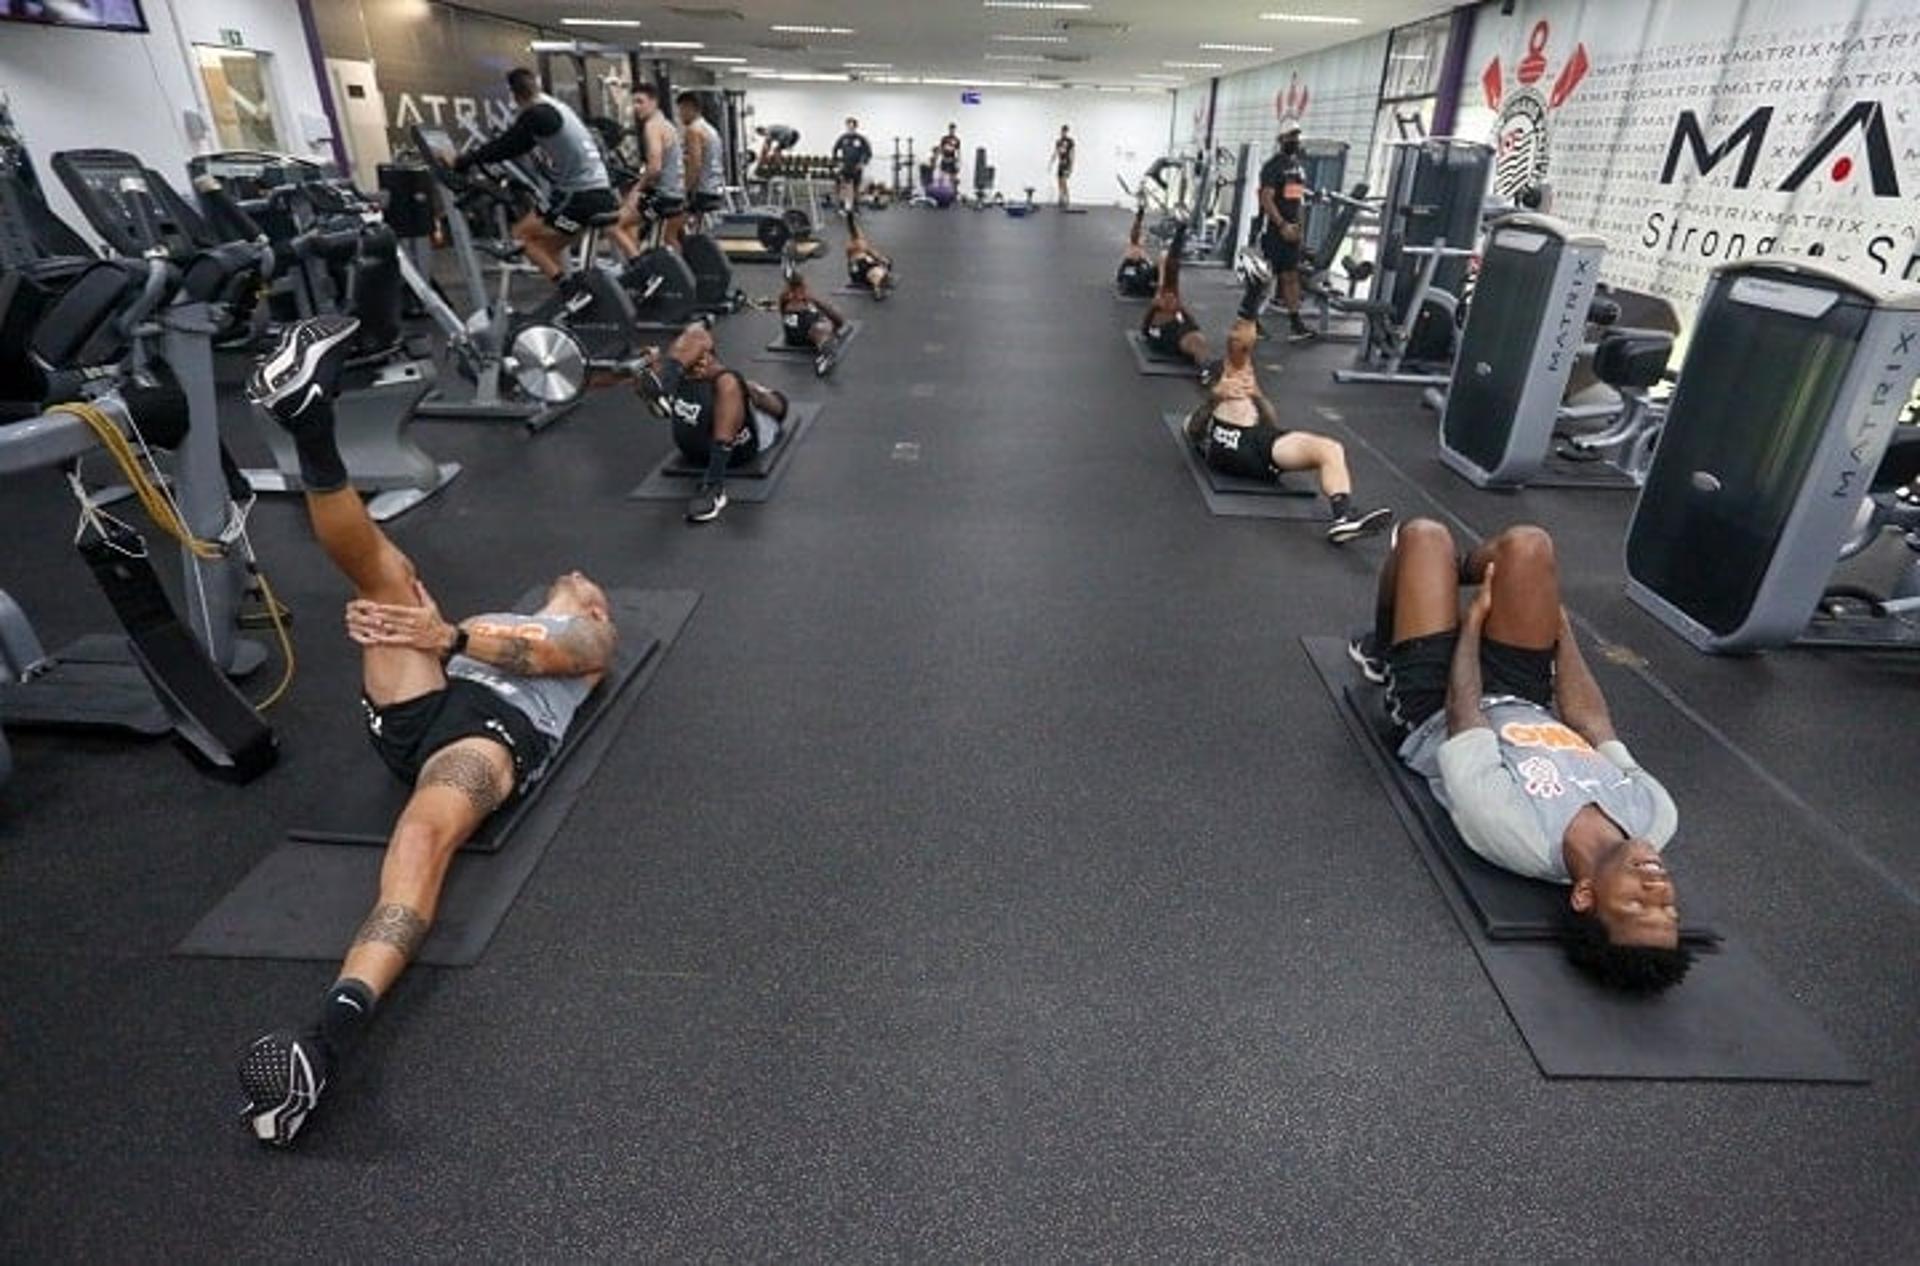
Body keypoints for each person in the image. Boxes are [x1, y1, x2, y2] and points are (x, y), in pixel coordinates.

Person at [235, 314, 620, 1145]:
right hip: (428, 693)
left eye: (591, 587)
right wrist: (410, 627)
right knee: (386, 571)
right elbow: (426, 623)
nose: (584, 581)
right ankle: (307, 417)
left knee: (419, 839)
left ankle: (329, 1034)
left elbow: (573, 655)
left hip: (488, 738)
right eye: (580, 584)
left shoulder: (589, 639)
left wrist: (443, 638)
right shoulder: (489, 617)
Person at [1349, 519, 1692, 993]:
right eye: (1669, 909)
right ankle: (1459, 570)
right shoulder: (1656, 816)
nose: (1659, 891)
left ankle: (1384, 647)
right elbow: (1592, 722)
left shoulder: (1517, 836)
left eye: (1638, 906)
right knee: (1531, 546)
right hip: (1522, 696)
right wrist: (1560, 629)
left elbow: (1463, 716)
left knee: (1424, 537)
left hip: (1436, 707)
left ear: (1585, 895)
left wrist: (1473, 623)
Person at [1185, 258, 1393, 543]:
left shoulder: (1247, 389)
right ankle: (1254, 293)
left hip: (1260, 451)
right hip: (1235, 444)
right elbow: (1193, 430)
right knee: (1239, 355)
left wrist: (1256, 394)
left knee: (1330, 449)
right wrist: (1214, 399)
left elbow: (1270, 422)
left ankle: (1343, 518)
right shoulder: (1220, 390)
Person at [452, 68, 617, 282]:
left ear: (514, 94)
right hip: (596, 193)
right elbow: (518, 145)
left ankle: (570, 294)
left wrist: (462, 160)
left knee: (522, 236)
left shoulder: (537, 114)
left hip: (579, 198)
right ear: (537, 85)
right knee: (545, 248)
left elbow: (506, 147)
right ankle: (575, 294)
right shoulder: (555, 107)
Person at [634, 321, 793, 524]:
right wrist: (647, 371)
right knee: (733, 382)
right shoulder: (696, 375)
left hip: (728, 449)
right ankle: (714, 486)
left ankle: (714, 486)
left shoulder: (719, 380)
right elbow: (660, 410)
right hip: (706, 449)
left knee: (745, 388)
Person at [1255, 119, 1315, 343]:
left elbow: (1296, 199)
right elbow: (1266, 199)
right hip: (1274, 230)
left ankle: (1295, 323)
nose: (1295, 141)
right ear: (1281, 140)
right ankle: (1252, 321)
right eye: (1291, 137)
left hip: (1291, 231)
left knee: (1290, 276)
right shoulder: (1273, 166)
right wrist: (1281, 225)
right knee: (1265, 277)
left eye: (1297, 137)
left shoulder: (1297, 167)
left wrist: (1299, 228)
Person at [612, 83, 687, 258]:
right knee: (632, 223)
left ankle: (639, 270)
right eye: (634, 103)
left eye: (640, 102)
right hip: (675, 195)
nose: (636, 107)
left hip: (663, 197)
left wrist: (637, 189)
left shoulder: (652, 126)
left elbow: (654, 168)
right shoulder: (668, 125)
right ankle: (681, 275)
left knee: (614, 224)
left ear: (654, 102)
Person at [1141, 224, 1211, 373]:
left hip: (1179, 326)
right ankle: (1206, 369)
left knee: (1198, 341)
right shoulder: (1161, 300)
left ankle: (1207, 367)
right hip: (1165, 331)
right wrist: (1155, 307)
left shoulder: (1175, 303)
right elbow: (1144, 330)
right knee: (1194, 341)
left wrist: (1184, 313)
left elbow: (1172, 266)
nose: (1171, 299)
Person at [777, 254, 852, 377]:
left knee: (824, 324)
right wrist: (816, 303)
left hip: (791, 332)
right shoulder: (803, 297)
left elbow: (783, 308)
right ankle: (825, 355)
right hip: (804, 327)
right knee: (827, 327)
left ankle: (825, 349)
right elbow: (839, 321)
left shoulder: (785, 297)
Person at [675, 91, 727, 220]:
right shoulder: (710, 129)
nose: (679, 114)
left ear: (691, 108)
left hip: (702, 191)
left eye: (681, 109)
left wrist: (685, 190)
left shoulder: (693, 130)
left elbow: (695, 165)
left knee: (669, 232)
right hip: (714, 187)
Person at [843, 209, 894, 298]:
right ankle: (877, 286)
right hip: (861, 266)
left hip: (855, 273)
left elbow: (852, 228)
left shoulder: (851, 244)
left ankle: (877, 284)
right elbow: (875, 255)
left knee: (877, 269)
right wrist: (883, 260)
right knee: (881, 268)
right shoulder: (860, 242)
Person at [1116, 197, 1157, 297]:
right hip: (1134, 273)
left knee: (1153, 268)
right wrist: (1139, 217)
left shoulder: (1142, 255)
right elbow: (1135, 232)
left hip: (1139, 269)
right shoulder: (1134, 248)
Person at [831, 117, 873, 211]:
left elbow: (868, 153)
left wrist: (863, 163)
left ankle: (856, 207)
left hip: (856, 167)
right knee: (843, 186)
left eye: (852, 126)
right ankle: (841, 206)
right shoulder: (842, 138)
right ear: (846, 126)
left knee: (856, 187)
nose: (850, 128)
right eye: (848, 126)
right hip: (845, 166)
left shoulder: (861, 139)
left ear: (855, 127)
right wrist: (837, 163)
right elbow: (834, 150)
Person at [1051, 124, 1076, 208]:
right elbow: (1056, 152)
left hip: (1067, 163)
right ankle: (1061, 198)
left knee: (1064, 182)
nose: (1063, 132)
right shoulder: (1058, 141)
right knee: (1059, 182)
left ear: (1067, 132)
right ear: (1061, 131)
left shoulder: (1070, 141)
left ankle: (1067, 200)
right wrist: (1052, 160)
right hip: (1060, 164)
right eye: (1062, 131)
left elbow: (1072, 154)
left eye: (1065, 131)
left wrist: (1071, 167)